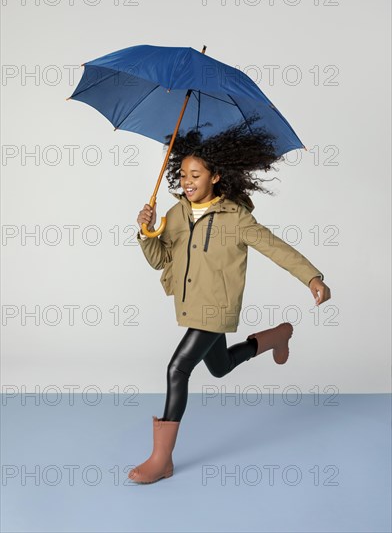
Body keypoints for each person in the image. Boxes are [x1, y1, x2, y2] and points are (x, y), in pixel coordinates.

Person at [129, 115, 331, 484]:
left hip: (217, 307)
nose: (187, 182)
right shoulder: (176, 213)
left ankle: (162, 459)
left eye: (196, 175)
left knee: (177, 369)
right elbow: (160, 259)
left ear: (216, 176)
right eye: (184, 175)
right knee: (219, 368)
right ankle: (275, 337)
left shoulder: (236, 218)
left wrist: (312, 276)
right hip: (191, 306)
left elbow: (276, 248)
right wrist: (145, 232)